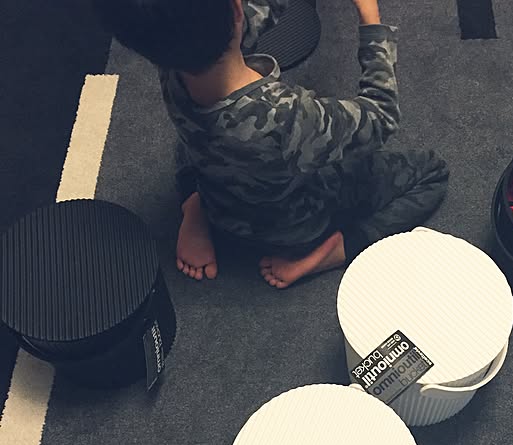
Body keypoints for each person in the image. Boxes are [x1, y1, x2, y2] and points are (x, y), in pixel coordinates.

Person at [93, 0, 449, 287]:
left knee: (190, 145)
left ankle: (195, 204)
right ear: (236, 9)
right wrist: (371, 21)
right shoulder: (287, 117)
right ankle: (338, 249)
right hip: (293, 229)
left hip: (222, 200)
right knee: (432, 172)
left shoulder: (171, 64)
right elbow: (382, 116)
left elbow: (239, 21)